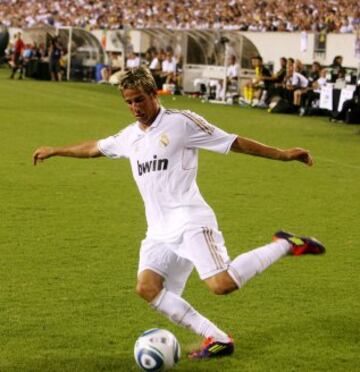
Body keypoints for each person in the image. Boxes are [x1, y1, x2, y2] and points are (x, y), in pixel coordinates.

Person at [33, 66, 325, 360]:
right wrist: (56, 150)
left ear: (153, 93)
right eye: (129, 102)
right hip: (158, 231)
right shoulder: (129, 136)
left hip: (190, 220)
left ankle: (285, 244)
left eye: (139, 100)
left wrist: (284, 154)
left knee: (222, 285)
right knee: (147, 288)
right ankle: (218, 338)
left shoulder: (182, 123)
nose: (135, 108)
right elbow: (94, 148)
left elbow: (233, 141)